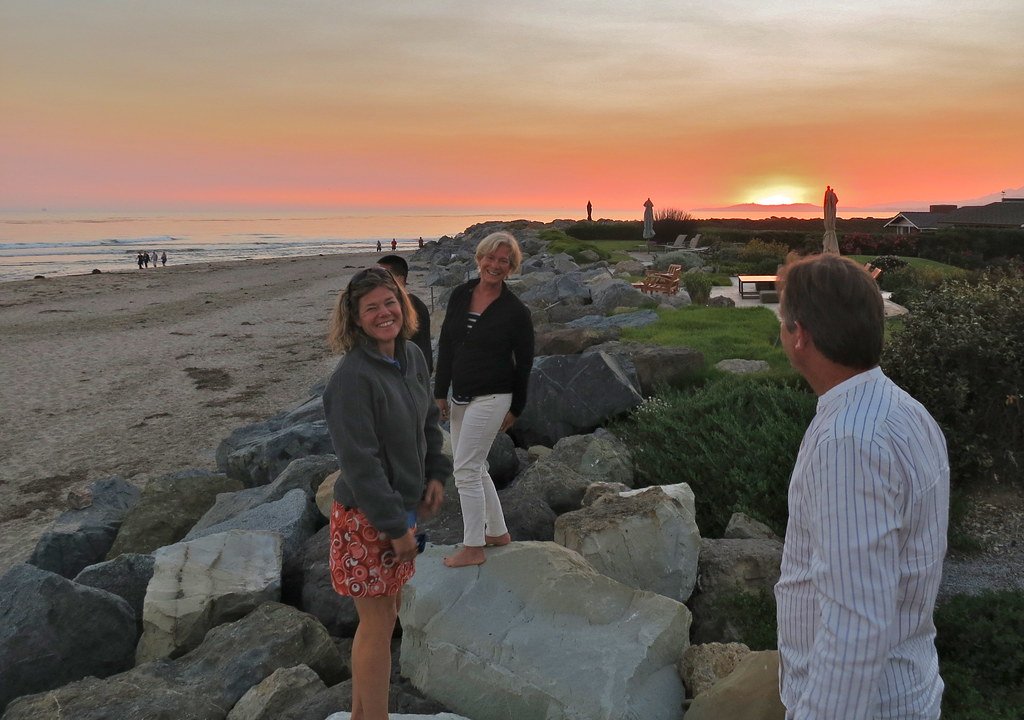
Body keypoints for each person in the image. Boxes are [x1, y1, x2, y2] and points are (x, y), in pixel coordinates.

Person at [774, 254, 949, 720]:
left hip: (867, 705)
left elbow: (855, 624)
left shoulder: (847, 443)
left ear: (800, 335)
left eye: (782, 319)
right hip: (906, 682)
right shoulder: (904, 410)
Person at [322, 267, 451, 720]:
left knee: (386, 614)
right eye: (371, 308)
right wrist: (396, 528)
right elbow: (361, 466)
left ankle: (362, 716)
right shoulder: (351, 380)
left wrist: (436, 474)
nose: (384, 313)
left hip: (403, 512)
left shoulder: (412, 356)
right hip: (367, 517)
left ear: (403, 303)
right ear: (355, 320)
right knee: (377, 626)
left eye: (390, 302)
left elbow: (428, 424)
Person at [434, 231, 534, 568]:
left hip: (494, 395)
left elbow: (525, 363)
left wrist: (517, 406)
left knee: (464, 470)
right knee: (476, 468)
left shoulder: (515, 311)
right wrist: (440, 391)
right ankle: (498, 532)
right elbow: (447, 344)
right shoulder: (461, 295)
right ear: (479, 259)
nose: (494, 265)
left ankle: (473, 546)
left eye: (503, 261)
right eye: (489, 258)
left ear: (511, 267)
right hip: (460, 394)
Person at [377, 254, 433, 374]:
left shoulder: (412, 307)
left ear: (400, 279)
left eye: (384, 276)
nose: (377, 281)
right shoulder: (389, 307)